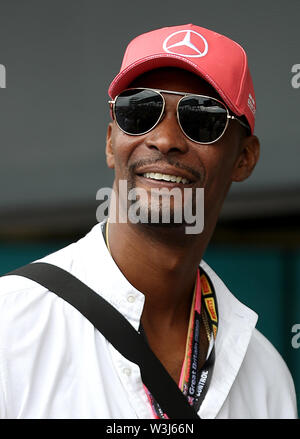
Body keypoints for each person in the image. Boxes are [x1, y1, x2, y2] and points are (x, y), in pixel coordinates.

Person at [0, 24, 297, 419]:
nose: (164, 138)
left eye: (202, 117)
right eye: (139, 110)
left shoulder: (265, 376)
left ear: (244, 158)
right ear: (111, 141)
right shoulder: (11, 325)